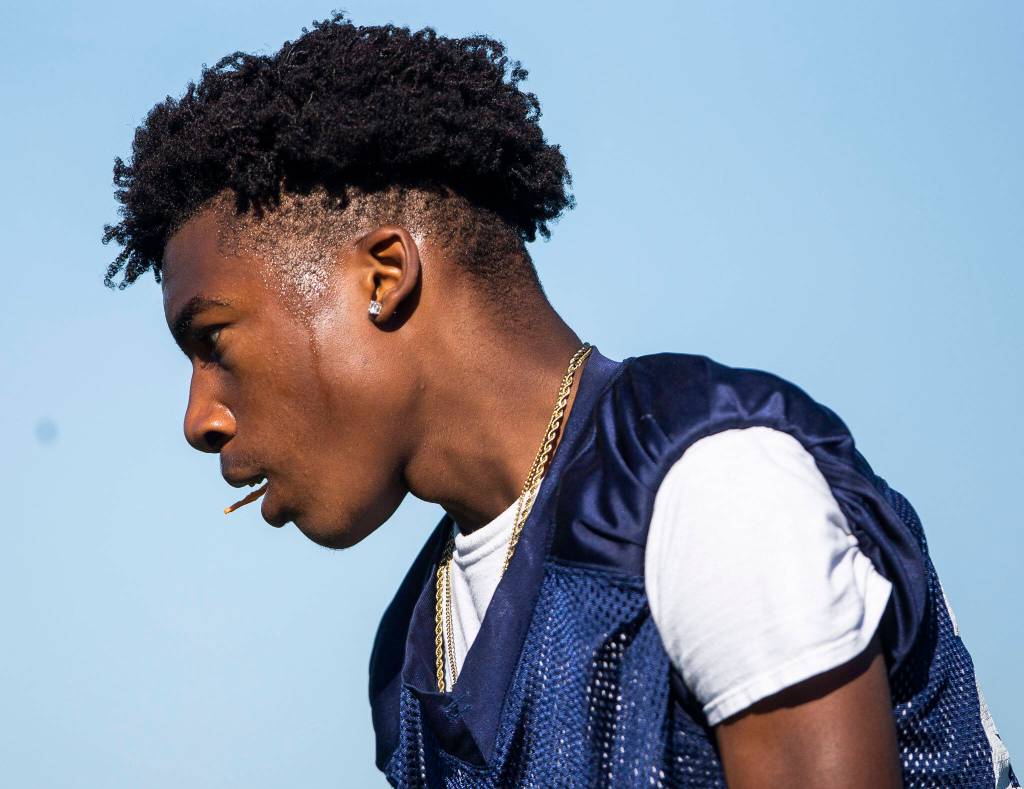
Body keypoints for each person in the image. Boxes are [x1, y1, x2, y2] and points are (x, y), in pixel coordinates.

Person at [103, 12, 1016, 788]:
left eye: (212, 340)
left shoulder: (706, 493)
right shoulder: (413, 657)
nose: (199, 418)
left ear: (383, 275)